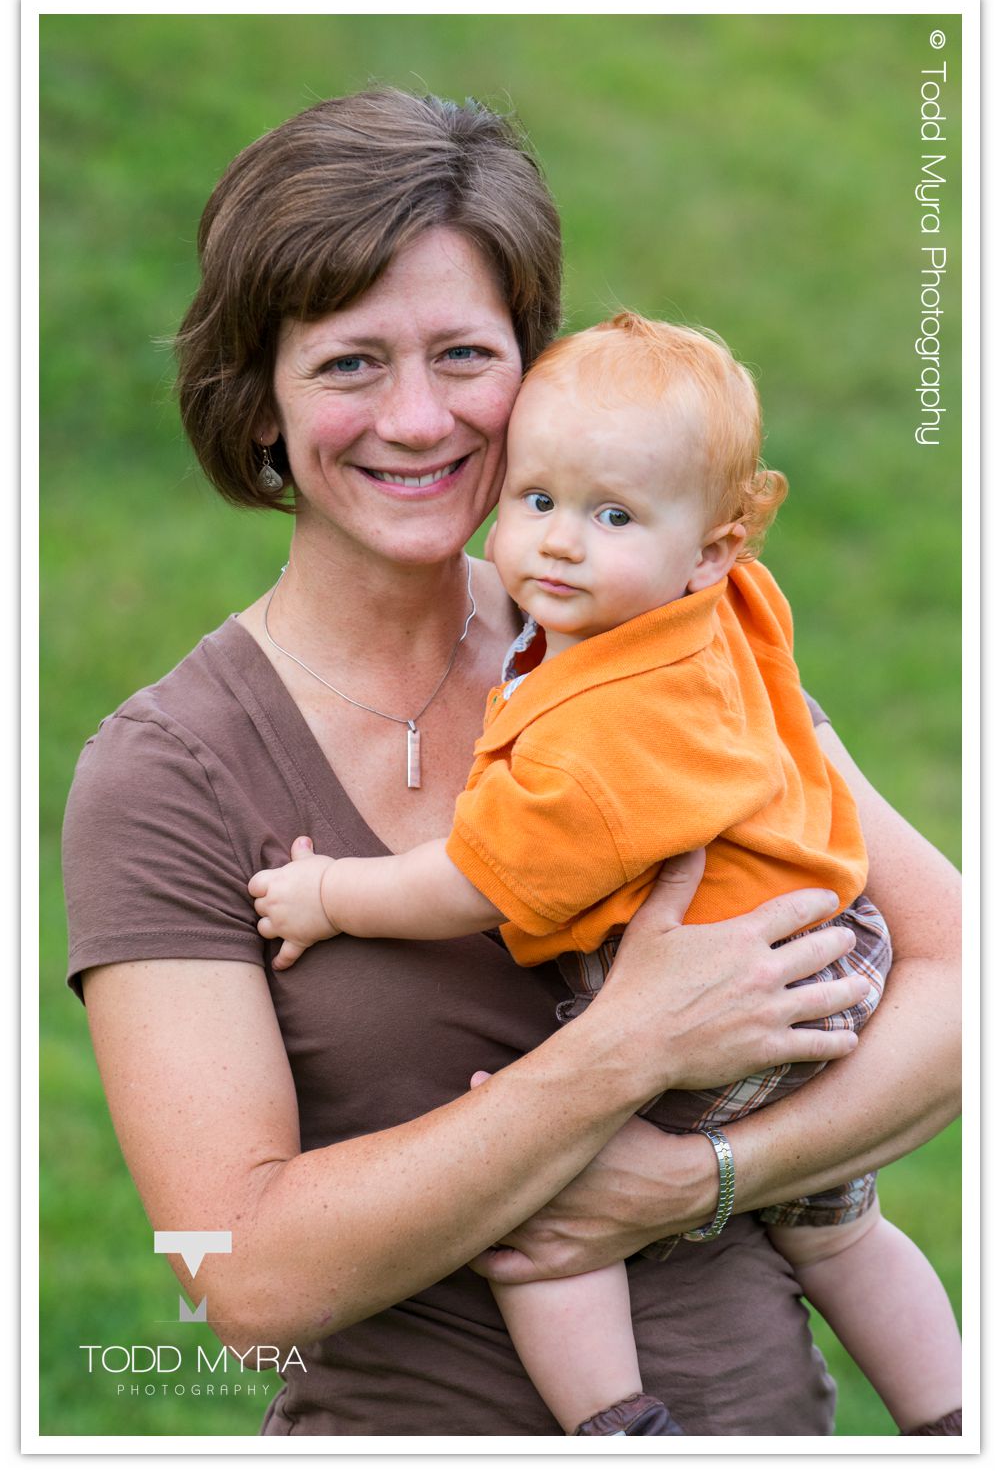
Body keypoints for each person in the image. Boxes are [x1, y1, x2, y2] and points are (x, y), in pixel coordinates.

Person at [61, 89, 962, 1438]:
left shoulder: (664, 636)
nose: (418, 419)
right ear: (258, 405)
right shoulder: (172, 773)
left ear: (535, 378)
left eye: (463, 356)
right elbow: (239, 1278)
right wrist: (624, 1049)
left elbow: (960, 984)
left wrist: (705, 1176)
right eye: (349, 364)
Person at [247, 311, 962, 1437]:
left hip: (726, 988)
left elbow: (476, 881)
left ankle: (619, 1427)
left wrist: (329, 896)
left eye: (613, 516)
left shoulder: (601, 729)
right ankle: (951, 1419)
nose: (560, 544)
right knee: (841, 1233)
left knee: (537, 1216)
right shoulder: (717, 609)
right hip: (826, 945)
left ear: (714, 547)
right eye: (535, 499)